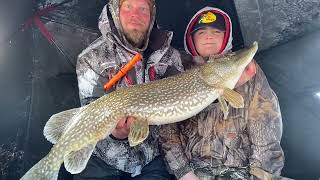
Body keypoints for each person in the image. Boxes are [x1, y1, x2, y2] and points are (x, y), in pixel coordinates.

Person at [159, 7, 284, 180]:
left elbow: (265, 129)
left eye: (216, 31)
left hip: (242, 172)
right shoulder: (179, 73)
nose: (209, 36)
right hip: (194, 173)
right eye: (201, 32)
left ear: (226, 37)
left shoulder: (248, 70)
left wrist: (260, 175)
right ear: (191, 39)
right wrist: (184, 173)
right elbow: (168, 132)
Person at [74, 0, 184, 179]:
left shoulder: (170, 57)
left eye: (143, 8)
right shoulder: (91, 57)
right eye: (128, 7)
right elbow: (90, 116)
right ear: (116, 11)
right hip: (103, 158)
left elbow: (175, 116)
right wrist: (117, 134)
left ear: (151, 16)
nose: (136, 14)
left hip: (152, 158)